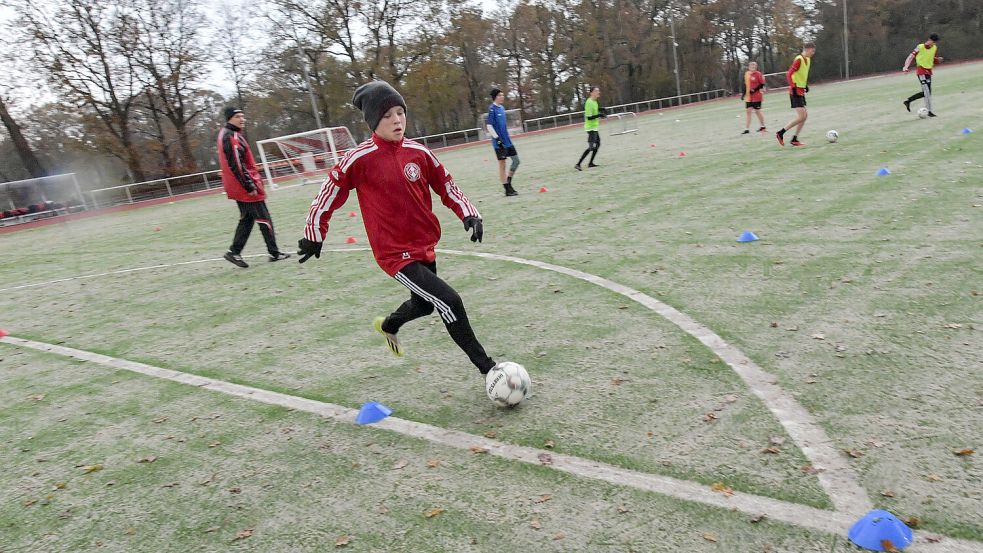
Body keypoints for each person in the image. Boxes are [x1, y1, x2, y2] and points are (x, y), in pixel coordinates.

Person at [297, 80, 505, 378]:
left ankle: (389, 325)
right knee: (449, 301)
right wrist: (314, 233)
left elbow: (445, 184)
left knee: (423, 305)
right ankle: (489, 369)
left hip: (424, 245)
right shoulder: (359, 158)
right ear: (373, 121)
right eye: (387, 116)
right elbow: (329, 193)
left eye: (399, 112)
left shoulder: (418, 152)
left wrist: (468, 213)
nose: (397, 120)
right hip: (394, 253)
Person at [218, 107, 290, 267]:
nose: (242, 119)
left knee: (247, 219)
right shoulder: (232, 136)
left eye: (243, 116)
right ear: (229, 119)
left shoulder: (229, 134)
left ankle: (234, 252)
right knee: (264, 219)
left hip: (237, 186)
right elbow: (236, 163)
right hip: (244, 186)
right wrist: (249, 185)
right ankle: (274, 253)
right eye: (238, 116)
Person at [776, 43, 815, 147]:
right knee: (802, 116)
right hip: (795, 91)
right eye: (812, 51)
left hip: (800, 91)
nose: (813, 53)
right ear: (807, 49)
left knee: (804, 116)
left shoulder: (808, 60)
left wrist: (805, 85)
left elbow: (801, 75)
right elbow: (789, 74)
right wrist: (793, 87)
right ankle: (780, 133)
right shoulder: (799, 59)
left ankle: (794, 139)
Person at [486, 88, 519, 197]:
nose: (502, 97)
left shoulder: (502, 108)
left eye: (503, 95)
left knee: (516, 161)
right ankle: (507, 189)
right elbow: (489, 126)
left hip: (507, 141)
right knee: (502, 164)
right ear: (496, 97)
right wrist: (497, 138)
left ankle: (508, 181)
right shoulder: (492, 109)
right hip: (498, 142)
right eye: (500, 95)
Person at [902, 33, 942, 117]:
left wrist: (938, 60)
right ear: (929, 40)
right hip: (921, 71)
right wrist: (906, 67)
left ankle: (908, 101)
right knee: (927, 91)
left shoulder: (934, 48)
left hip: (929, 71)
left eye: (935, 43)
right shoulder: (920, 47)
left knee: (927, 92)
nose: (934, 44)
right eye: (933, 42)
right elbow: (910, 57)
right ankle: (929, 111)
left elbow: (932, 59)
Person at [575, 86, 606, 170]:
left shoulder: (595, 101)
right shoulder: (588, 102)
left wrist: (601, 109)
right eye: (596, 91)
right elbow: (589, 117)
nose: (598, 92)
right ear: (591, 93)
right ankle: (578, 164)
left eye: (598, 91)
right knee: (591, 147)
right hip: (590, 128)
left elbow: (595, 110)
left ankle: (590, 163)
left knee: (598, 144)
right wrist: (599, 115)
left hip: (595, 127)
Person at [741, 61, 767, 134]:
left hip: (757, 96)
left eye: (754, 67)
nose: (753, 68)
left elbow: (762, 84)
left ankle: (763, 126)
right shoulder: (747, 74)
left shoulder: (758, 74)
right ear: (749, 67)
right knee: (748, 111)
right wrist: (743, 94)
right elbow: (745, 84)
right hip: (748, 97)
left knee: (757, 112)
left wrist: (754, 90)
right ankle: (747, 129)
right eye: (752, 67)